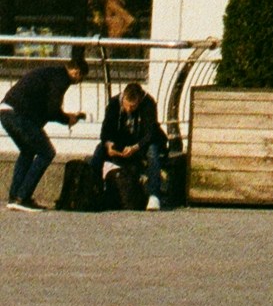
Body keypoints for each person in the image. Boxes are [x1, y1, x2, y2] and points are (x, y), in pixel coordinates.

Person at [3, 50, 86, 211]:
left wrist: (65, 117)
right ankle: (22, 197)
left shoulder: (51, 72)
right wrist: (67, 119)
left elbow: (44, 106)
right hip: (19, 114)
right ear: (76, 72)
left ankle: (14, 197)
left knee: (27, 151)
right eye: (81, 78)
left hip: (5, 111)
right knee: (46, 152)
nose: (78, 82)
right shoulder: (62, 79)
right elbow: (52, 109)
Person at [97, 81, 168, 211]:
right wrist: (108, 144)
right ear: (123, 97)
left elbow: (150, 133)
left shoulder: (148, 103)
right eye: (127, 105)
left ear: (139, 101)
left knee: (152, 151)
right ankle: (94, 189)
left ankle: (154, 195)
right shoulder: (114, 103)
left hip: (142, 142)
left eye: (133, 107)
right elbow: (106, 129)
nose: (129, 109)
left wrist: (136, 147)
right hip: (122, 140)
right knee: (99, 151)